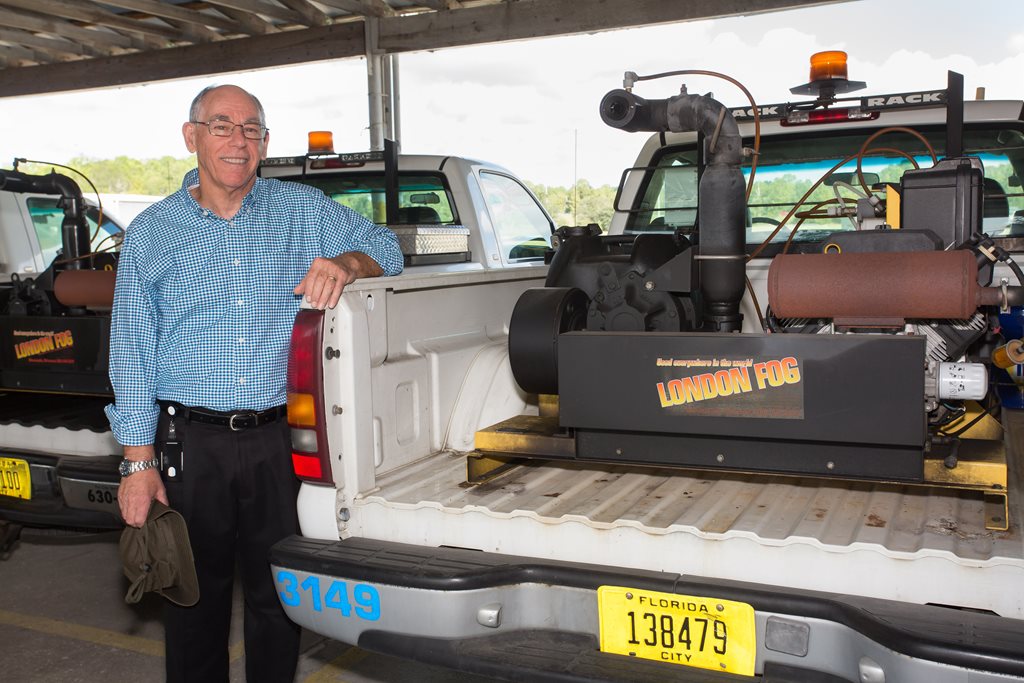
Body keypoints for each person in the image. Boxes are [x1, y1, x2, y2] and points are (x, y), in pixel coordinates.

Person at [106, 84, 403, 682]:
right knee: (191, 601)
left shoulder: (306, 212)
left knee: (278, 602)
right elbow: (131, 352)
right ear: (192, 138)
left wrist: (346, 264)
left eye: (251, 130)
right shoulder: (152, 232)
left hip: (278, 443)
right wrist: (136, 465)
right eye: (221, 127)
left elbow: (388, 250)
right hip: (188, 445)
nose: (237, 142)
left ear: (265, 144)